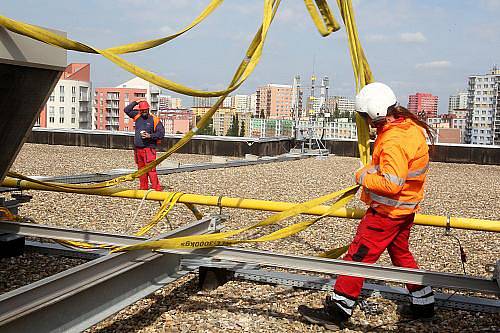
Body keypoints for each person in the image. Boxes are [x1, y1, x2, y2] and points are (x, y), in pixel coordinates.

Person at [298, 82, 436, 330]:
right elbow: (395, 169)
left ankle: (338, 311)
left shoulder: (393, 138)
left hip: (387, 213)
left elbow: (392, 183)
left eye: (365, 116)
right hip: (405, 210)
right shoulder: (408, 127)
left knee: (357, 258)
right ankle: (424, 304)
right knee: (401, 255)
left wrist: (361, 176)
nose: (365, 121)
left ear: (375, 112)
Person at [124, 99, 165, 191]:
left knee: (151, 169)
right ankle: (143, 188)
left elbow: (161, 134)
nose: (143, 112)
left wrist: (150, 136)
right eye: (142, 110)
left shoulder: (154, 119)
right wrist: (136, 102)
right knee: (141, 170)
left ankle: (156, 188)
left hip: (149, 149)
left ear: (148, 109)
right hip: (138, 149)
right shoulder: (137, 116)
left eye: (145, 110)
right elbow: (126, 110)